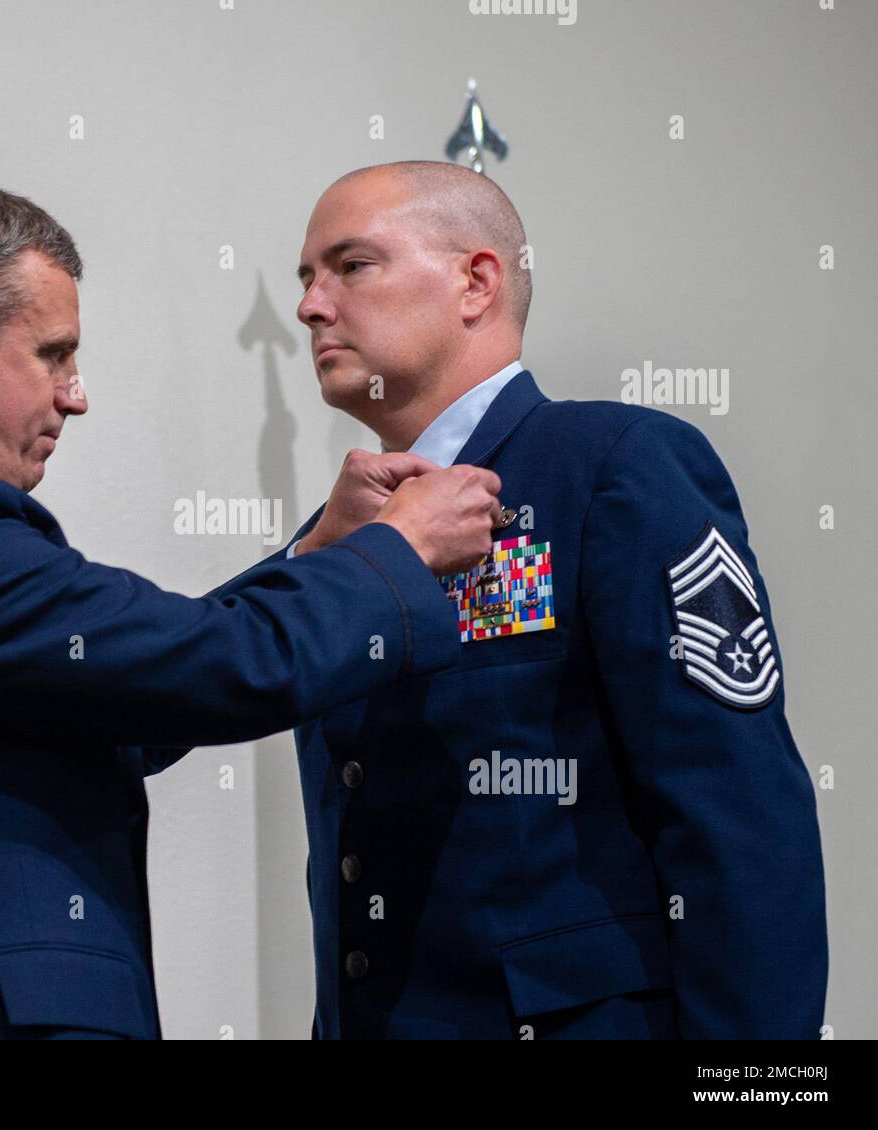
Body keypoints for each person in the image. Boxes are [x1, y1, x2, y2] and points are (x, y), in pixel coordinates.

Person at [0, 175, 502, 1039]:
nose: (76, 394)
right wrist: (400, 553)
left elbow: (130, 708)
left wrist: (315, 556)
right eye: (52, 355)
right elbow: (217, 666)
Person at [181, 161, 827, 1039]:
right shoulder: (349, 533)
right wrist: (314, 554)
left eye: (351, 266)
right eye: (305, 279)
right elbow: (209, 665)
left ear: (475, 282)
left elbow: (739, 820)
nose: (310, 306)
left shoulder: (613, 465)